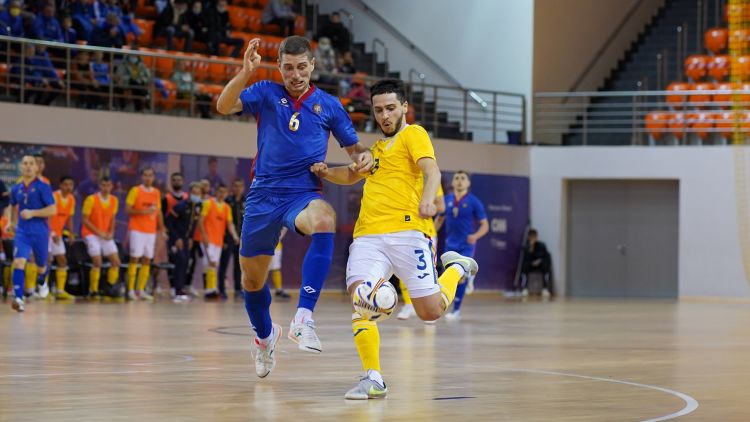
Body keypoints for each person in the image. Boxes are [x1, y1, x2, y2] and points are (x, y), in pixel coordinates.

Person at [308, 78, 478, 399]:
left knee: (430, 313)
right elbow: (350, 173)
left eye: (390, 108)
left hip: (409, 234)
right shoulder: (374, 151)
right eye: (378, 110)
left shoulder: (414, 134)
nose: (384, 115)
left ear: (403, 108)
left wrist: (428, 200)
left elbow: (432, 172)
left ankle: (455, 268)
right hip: (368, 237)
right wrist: (326, 171)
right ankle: (373, 378)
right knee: (361, 302)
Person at [216, 36, 373, 377]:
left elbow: (357, 151)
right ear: (280, 68)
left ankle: (304, 317)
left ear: (312, 66)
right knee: (252, 281)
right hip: (263, 195)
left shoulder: (329, 105)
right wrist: (245, 72)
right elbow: (223, 106)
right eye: (288, 68)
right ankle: (264, 337)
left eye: (302, 67)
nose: (296, 74)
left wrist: (366, 158)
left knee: (325, 219)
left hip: (302, 193)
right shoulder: (266, 93)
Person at [434, 170, 489, 321]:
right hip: (450, 244)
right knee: (451, 276)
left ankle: (456, 310)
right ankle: (467, 279)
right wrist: (432, 232)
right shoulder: (447, 200)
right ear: (452, 182)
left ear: (468, 183)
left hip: (466, 245)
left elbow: (485, 225)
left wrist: (475, 236)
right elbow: (439, 219)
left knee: (461, 276)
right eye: (456, 178)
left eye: (463, 178)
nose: (459, 181)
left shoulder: (474, 202)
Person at [6, 155, 56, 312]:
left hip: (40, 231)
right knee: (19, 262)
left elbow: (53, 210)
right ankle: (19, 298)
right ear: (21, 167)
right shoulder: (16, 188)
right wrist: (10, 222)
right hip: (22, 232)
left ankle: (42, 282)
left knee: (41, 266)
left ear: (36, 168)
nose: (28, 166)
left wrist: (33, 213)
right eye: (25, 163)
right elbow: (12, 205)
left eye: (31, 164)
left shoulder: (43, 187)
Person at [396, 182, 444, 321]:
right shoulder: (401, 175)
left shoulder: (430, 178)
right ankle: (408, 304)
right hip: (402, 228)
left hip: (426, 230)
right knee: (402, 268)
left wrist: (427, 206)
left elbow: (441, 206)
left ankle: (432, 307)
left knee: (428, 271)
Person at [125, 167, 165, 301]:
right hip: (137, 229)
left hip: (150, 230)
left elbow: (158, 211)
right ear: (142, 177)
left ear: (154, 177)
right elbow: (128, 209)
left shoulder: (156, 193)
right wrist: (142, 212)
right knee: (135, 257)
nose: (148, 178)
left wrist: (162, 228)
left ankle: (141, 289)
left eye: (150, 175)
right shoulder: (135, 191)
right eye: (146, 175)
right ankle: (130, 289)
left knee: (147, 258)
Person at [81, 176, 121, 298]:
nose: (106, 188)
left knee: (116, 262)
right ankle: (93, 290)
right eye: (103, 185)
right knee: (97, 261)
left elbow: (113, 218)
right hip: (91, 234)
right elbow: (85, 220)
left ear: (112, 186)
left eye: (108, 185)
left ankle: (109, 287)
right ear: (99, 186)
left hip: (105, 234)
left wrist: (111, 232)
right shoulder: (91, 199)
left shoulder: (114, 200)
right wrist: (99, 232)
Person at [197, 183, 238, 299]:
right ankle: (210, 290)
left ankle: (210, 289)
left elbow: (229, 224)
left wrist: (235, 237)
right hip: (208, 239)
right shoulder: (208, 203)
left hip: (218, 241)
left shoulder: (226, 207)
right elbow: (200, 221)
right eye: (220, 192)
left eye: (224, 192)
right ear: (216, 192)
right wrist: (204, 236)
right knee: (211, 263)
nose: (221, 194)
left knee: (213, 265)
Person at [166, 181, 202, 302]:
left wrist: (191, 238)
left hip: (187, 240)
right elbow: (169, 221)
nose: (196, 195)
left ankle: (181, 289)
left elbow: (194, 223)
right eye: (194, 192)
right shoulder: (181, 205)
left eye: (198, 193)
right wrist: (176, 238)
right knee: (180, 263)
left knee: (186, 263)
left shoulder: (198, 206)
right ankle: (177, 291)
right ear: (190, 192)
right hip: (177, 239)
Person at [48, 175, 77, 300]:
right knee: (47, 260)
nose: (68, 187)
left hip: (58, 234)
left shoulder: (71, 199)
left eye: (70, 184)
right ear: (60, 185)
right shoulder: (53, 197)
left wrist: (71, 233)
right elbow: (47, 216)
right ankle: (42, 290)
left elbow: (69, 218)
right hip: (47, 233)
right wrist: (52, 233)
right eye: (65, 184)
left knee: (62, 260)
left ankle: (60, 290)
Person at [218, 177, 244, 300]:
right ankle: (221, 290)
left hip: (241, 238)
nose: (237, 188)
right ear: (232, 188)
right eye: (235, 186)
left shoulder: (246, 202)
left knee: (238, 265)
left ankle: (238, 290)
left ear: (243, 188)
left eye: (240, 186)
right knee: (224, 264)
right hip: (227, 238)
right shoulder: (227, 201)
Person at [520, 229, 552, 298]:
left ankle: (545, 288)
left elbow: (545, 256)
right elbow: (526, 258)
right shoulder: (526, 247)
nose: (533, 238)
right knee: (525, 266)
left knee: (545, 266)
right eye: (531, 236)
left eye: (535, 236)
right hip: (530, 265)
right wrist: (531, 248)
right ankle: (525, 288)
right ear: (529, 237)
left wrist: (539, 261)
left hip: (540, 265)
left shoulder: (542, 245)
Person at [267, 228, 290, 299]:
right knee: (263, 269)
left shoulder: (279, 217)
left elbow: (285, 228)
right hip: (262, 245)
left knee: (276, 268)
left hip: (275, 246)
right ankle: (259, 289)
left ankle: (278, 290)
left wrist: (277, 238)